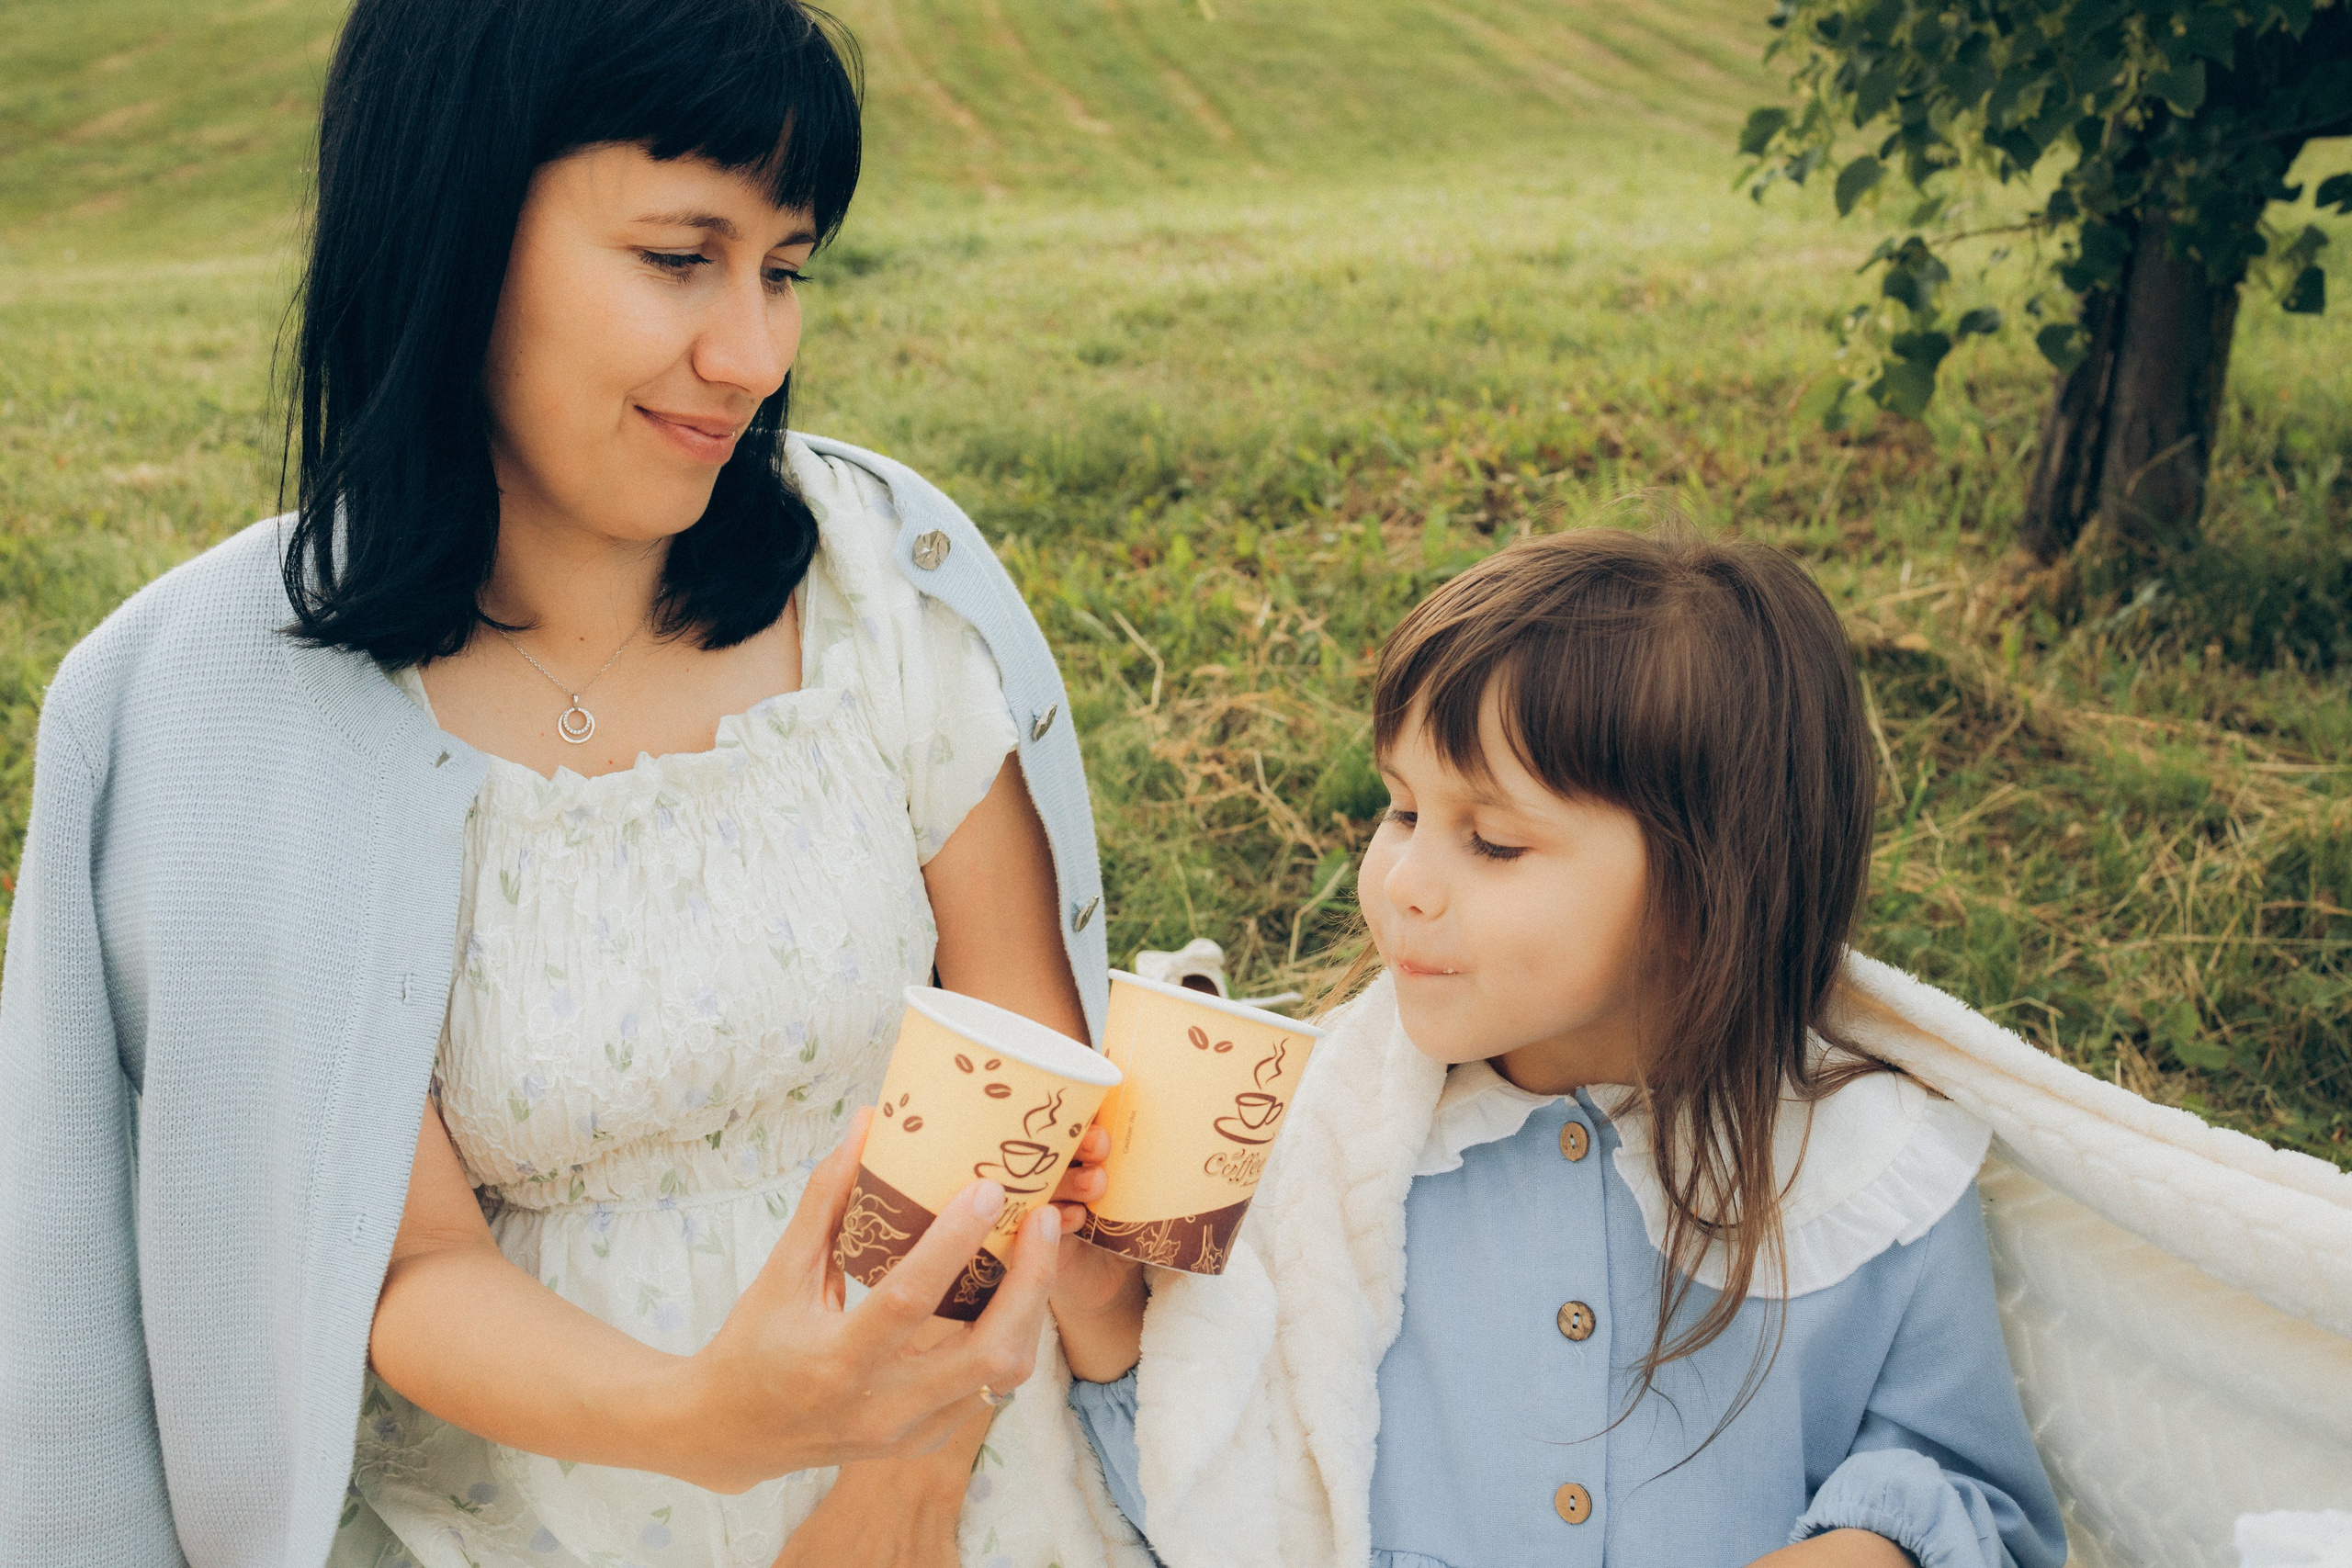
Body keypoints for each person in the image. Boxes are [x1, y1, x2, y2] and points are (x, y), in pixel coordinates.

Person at [0, 2, 1114, 1564]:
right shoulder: (246, 711)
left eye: (785, 269)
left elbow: (1025, 1103)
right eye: (679, 256)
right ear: (455, 226)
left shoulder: (877, 585)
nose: (753, 355)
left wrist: (897, 1485)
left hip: (951, 1481)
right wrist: (719, 1416)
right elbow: (404, 1266)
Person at [1032, 528, 2070, 1566]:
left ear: (1702, 890)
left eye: (1493, 841)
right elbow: (1219, 1507)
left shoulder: (1871, 1170)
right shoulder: (1324, 1154)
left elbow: (1974, 1503)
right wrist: (1102, 1303)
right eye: (1400, 810)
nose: (1403, 883)